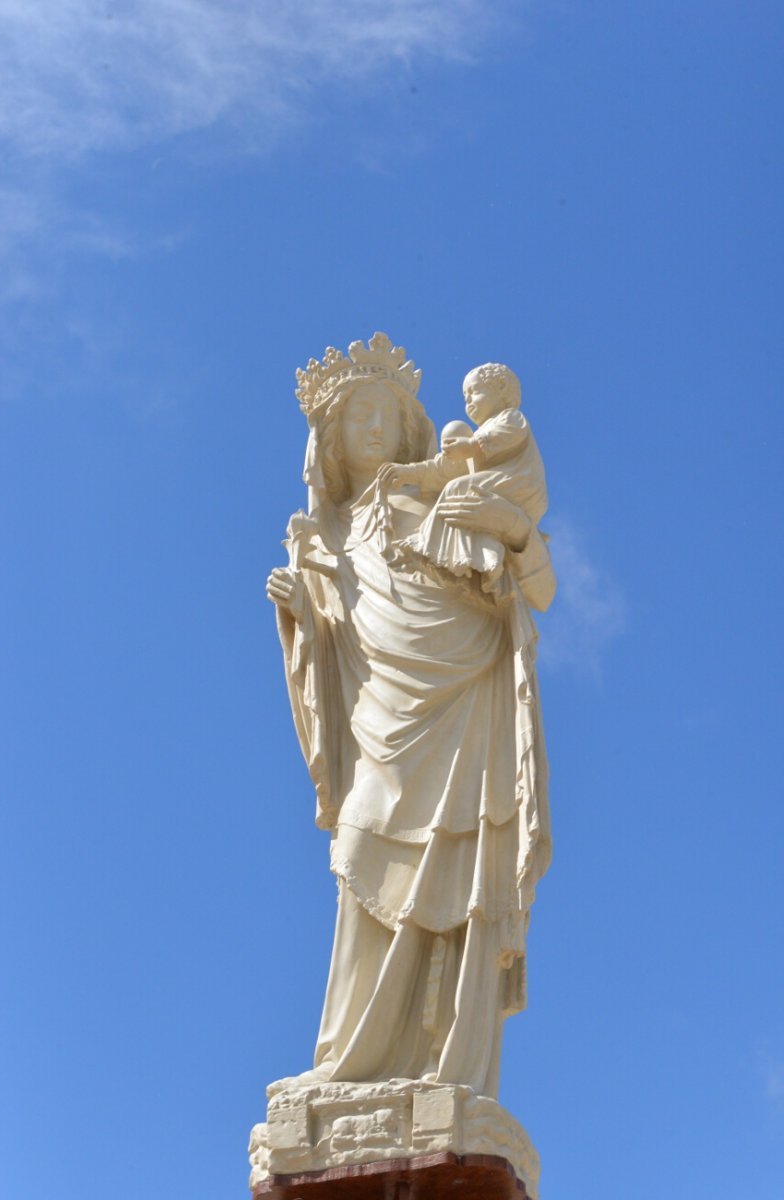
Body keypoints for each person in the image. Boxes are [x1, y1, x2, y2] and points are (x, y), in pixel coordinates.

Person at [266, 334, 552, 1100]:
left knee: (461, 877)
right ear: (328, 437)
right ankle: (350, 1064)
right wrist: (304, 618)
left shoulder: (431, 493)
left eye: (387, 413)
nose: (372, 427)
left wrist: (514, 531)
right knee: (361, 856)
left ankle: (445, 1074)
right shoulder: (322, 538)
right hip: (378, 724)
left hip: (463, 693)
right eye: (357, 412)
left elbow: (534, 586)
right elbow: (330, 653)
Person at [379, 362, 554, 611]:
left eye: (475, 393)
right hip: (495, 483)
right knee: (458, 486)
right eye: (465, 397)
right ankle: (464, 556)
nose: (469, 402)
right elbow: (444, 468)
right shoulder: (475, 440)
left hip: (516, 483)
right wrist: (410, 473)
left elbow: (505, 436)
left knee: (457, 489)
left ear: (502, 389)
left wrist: (471, 446)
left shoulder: (509, 418)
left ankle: (436, 549)